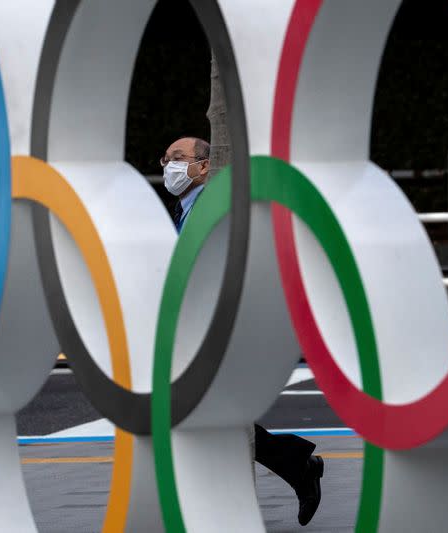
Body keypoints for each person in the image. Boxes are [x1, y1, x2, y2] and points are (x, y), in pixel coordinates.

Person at [160, 136, 325, 526]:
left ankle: (287, 470)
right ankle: (296, 465)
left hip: (221, 329)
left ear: (204, 166)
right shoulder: (185, 210)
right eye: (166, 158)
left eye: (179, 158)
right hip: (198, 330)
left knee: (200, 416)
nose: (169, 165)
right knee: (209, 415)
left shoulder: (212, 210)